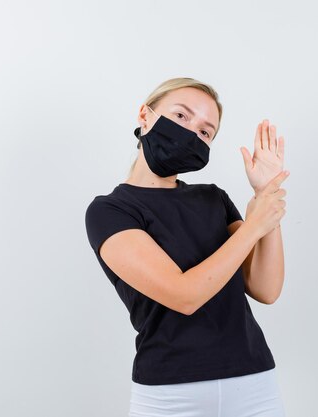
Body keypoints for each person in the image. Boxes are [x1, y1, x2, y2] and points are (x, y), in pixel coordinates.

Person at [84, 77, 289, 417]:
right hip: (170, 395)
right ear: (145, 115)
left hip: (254, 384)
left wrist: (265, 196)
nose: (192, 133)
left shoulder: (213, 198)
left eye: (206, 132)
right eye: (181, 116)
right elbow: (184, 295)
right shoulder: (110, 211)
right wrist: (254, 224)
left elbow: (266, 289)